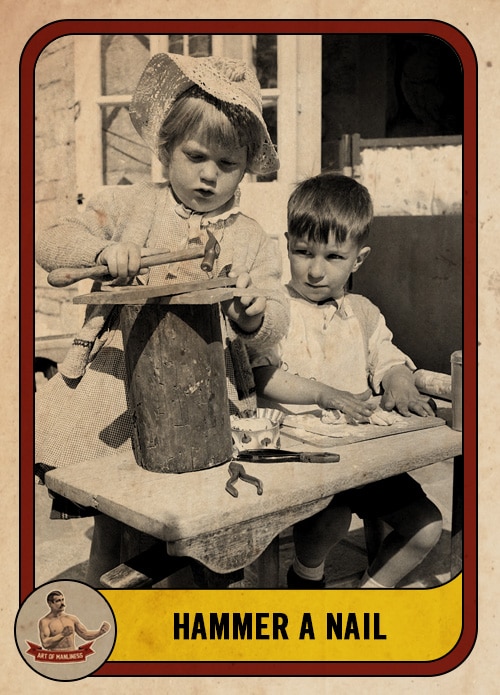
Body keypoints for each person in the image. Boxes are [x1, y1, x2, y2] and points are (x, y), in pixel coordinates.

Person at [35, 53, 288, 586]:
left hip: (203, 390)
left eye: (228, 165)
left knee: (196, 513)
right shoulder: (131, 206)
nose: (208, 175)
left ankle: (192, 599)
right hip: (119, 379)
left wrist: (252, 315)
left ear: (245, 168)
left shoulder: (249, 237)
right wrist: (104, 252)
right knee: (115, 509)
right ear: (166, 148)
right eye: (195, 156)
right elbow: (50, 238)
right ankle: (107, 607)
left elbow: (274, 321)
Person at [252, 173, 443, 589]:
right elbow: (263, 376)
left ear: (358, 259)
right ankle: (307, 577)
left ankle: (367, 595)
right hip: (304, 461)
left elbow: (387, 357)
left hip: (364, 458)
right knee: (332, 518)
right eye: (303, 252)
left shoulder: (363, 312)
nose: (316, 270)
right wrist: (325, 393)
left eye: (334, 257)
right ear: (286, 244)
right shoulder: (275, 311)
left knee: (427, 526)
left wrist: (398, 379)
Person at [39, 590, 110, 651]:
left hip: (72, 655)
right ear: (50, 603)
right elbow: (45, 643)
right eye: (58, 601)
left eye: (62, 600)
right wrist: (62, 634)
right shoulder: (45, 621)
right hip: (56, 658)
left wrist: (100, 632)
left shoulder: (71, 619)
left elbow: (85, 635)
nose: (62, 603)